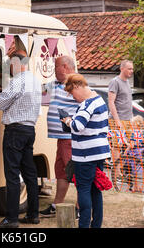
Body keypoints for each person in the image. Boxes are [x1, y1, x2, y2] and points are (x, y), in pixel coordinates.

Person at [0, 50, 42, 228]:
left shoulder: (17, 81)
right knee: (30, 173)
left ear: (17, 63)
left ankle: (11, 219)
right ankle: (33, 214)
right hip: (29, 129)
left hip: (15, 130)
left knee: (12, 174)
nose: (9, 67)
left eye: (10, 63)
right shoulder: (35, 80)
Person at [61, 73, 111, 228]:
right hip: (99, 151)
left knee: (83, 189)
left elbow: (78, 126)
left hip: (85, 154)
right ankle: (96, 224)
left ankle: (83, 225)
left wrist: (68, 120)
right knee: (96, 189)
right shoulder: (99, 99)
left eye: (72, 93)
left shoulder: (87, 104)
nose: (73, 97)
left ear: (77, 86)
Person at [39, 56, 80, 219]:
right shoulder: (56, 84)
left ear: (64, 67)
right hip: (61, 138)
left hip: (70, 137)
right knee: (62, 173)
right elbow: (39, 90)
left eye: (55, 67)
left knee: (75, 172)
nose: (53, 70)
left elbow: (86, 106)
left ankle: (80, 208)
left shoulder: (76, 84)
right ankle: (57, 205)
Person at [108, 60, 134, 178]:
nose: (131, 71)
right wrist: (117, 120)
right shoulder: (115, 82)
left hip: (128, 119)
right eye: (129, 69)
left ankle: (122, 166)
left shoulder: (127, 82)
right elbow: (111, 102)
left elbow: (127, 102)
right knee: (117, 145)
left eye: (132, 69)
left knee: (131, 143)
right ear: (122, 69)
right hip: (117, 119)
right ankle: (117, 172)